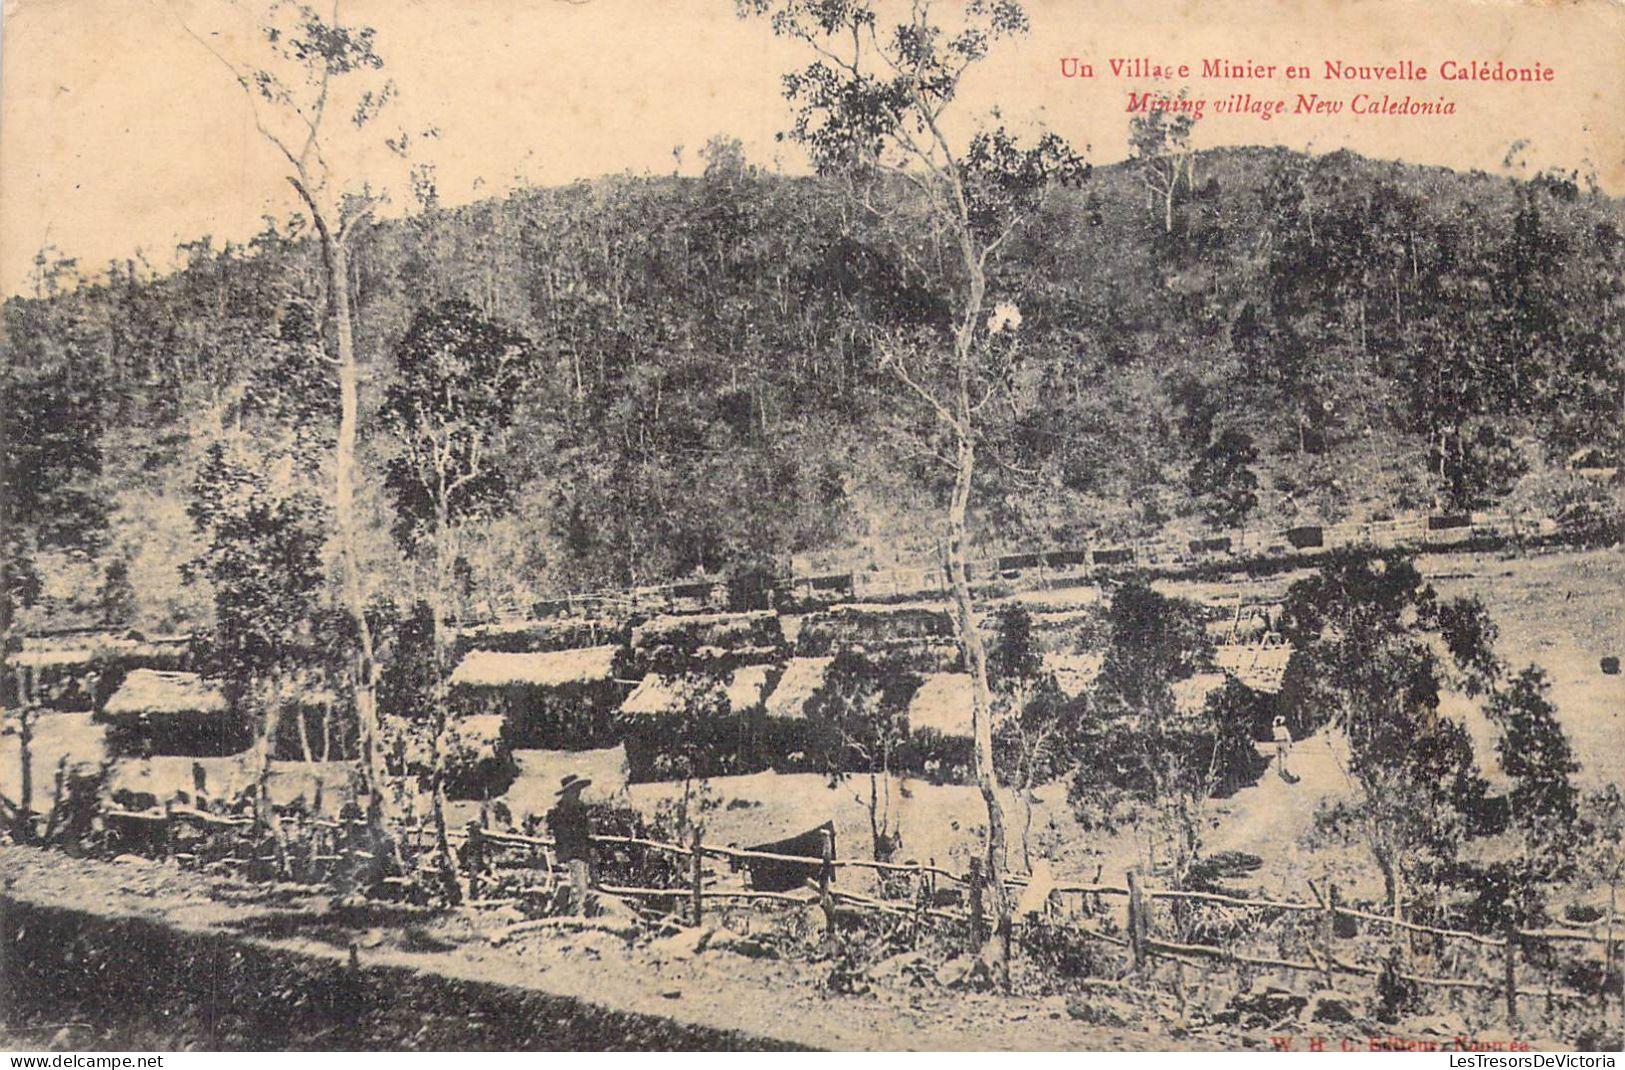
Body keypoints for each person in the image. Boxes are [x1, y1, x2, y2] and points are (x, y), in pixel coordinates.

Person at [547, 774, 595, 912]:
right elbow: (560, 835)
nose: (578, 793)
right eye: (575, 790)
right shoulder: (559, 811)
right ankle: (575, 913)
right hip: (570, 853)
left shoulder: (580, 808)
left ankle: (575, 910)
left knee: (583, 884)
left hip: (581, 852)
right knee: (578, 886)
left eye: (578, 790)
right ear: (568, 792)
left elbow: (585, 833)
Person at [1272, 715, 1296, 782]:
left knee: (1279, 757)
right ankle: (1285, 769)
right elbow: (1288, 736)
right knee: (1286, 756)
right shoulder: (1283, 728)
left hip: (1277, 743)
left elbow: (1274, 736)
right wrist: (1290, 743)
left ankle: (1280, 770)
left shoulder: (1274, 729)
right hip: (1283, 742)